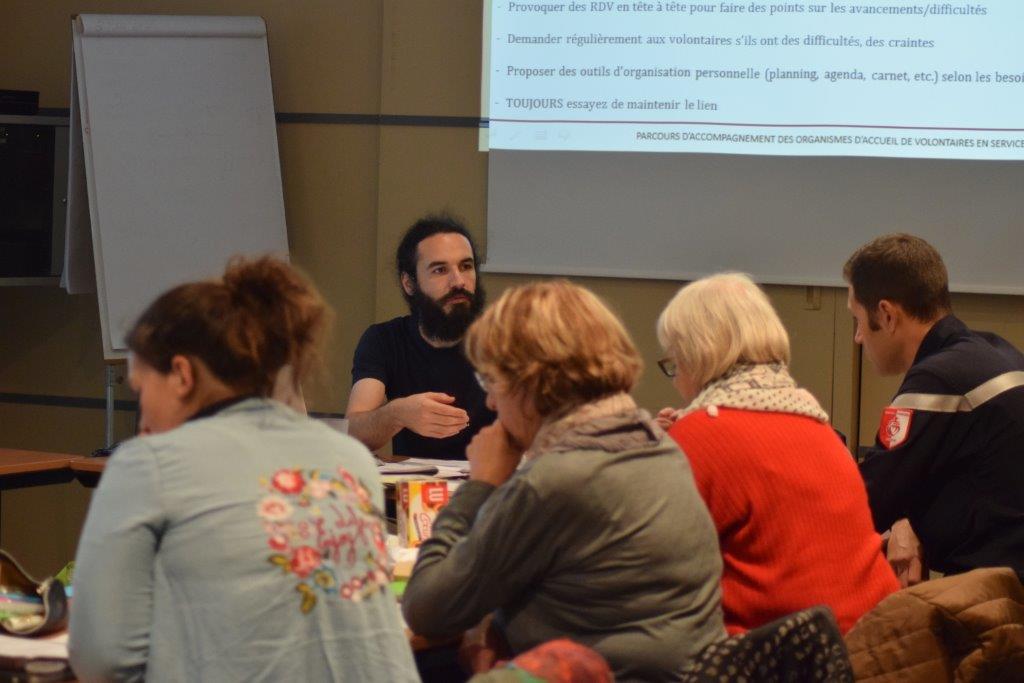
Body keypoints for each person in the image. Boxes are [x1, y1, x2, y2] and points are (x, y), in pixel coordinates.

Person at [69, 257, 418, 683]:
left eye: (142, 391)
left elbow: (102, 658)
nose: (142, 420)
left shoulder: (147, 465)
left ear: (181, 375)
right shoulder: (351, 459)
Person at [402, 280, 725, 682]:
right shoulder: (658, 446)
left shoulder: (555, 482)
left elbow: (425, 608)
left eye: (491, 382)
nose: (490, 402)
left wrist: (480, 484)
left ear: (531, 382)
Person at [656, 272, 898, 635]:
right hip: (871, 638)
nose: (676, 380)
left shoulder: (700, 435)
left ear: (695, 356)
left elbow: (653, 572)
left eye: (674, 364)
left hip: (787, 652)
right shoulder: (816, 425)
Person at [845, 233, 1024, 580]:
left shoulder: (938, 381)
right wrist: (907, 521)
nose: (858, 337)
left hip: (1004, 593)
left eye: (858, 320)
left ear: (886, 315)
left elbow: (865, 503)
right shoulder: (996, 351)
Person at [346, 213, 495, 459]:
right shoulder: (384, 340)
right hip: (416, 483)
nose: (459, 282)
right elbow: (353, 434)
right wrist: (396, 414)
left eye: (466, 267)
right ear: (409, 284)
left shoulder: (507, 340)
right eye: (440, 270)